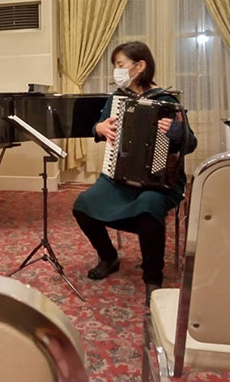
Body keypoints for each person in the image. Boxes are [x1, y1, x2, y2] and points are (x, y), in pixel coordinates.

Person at [72, 41, 197, 304]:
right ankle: (109, 257)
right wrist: (99, 129)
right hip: (119, 179)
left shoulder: (166, 101)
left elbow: (191, 143)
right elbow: (98, 125)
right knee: (83, 204)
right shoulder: (117, 98)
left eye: (120, 65)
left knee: (149, 206)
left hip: (158, 183)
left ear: (140, 66)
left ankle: (153, 278)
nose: (116, 71)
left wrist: (175, 131)